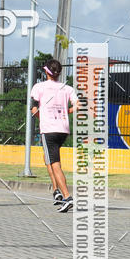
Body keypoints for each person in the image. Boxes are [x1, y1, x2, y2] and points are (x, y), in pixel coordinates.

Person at [30, 58, 79, 213]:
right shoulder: (67, 88)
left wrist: (43, 116)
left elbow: (33, 108)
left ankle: (67, 196)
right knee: (50, 160)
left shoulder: (39, 87)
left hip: (49, 129)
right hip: (63, 129)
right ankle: (57, 191)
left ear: (46, 71)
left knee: (54, 163)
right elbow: (78, 105)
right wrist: (66, 112)